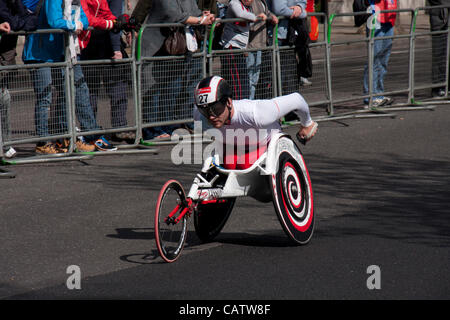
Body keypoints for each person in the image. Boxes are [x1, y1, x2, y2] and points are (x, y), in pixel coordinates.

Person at [22, 0, 117, 154]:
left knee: (67, 93)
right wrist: (74, 25)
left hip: (61, 52)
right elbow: (54, 20)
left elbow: (84, 19)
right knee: (45, 97)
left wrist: (79, 24)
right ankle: (43, 141)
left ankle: (65, 137)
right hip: (40, 53)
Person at [193, 75, 318, 169]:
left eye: (216, 109)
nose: (211, 116)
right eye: (205, 110)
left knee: (244, 164)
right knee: (225, 165)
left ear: (229, 102)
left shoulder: (258, 113)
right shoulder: (200, 116)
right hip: (236, 145)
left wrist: (307, 123)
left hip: (266, 144)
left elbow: (297, 99)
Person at [134, 0, 215, 140]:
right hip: (153, 47)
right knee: (152, 90)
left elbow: (193, 12)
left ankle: (168, 126)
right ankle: (151, 130)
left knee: (171, 89)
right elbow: (173, 14)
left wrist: (205, 16)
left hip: (174, 49)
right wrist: (200, 20)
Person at [80, 0, 134, 142]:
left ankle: (90, 129)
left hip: (88, 43)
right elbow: (114, 21)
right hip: (104, 44)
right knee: (116, 87)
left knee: (91, 89)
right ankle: (118, 127)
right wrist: (116, 48)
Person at [0, 0, 37, 158]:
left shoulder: (15, 1)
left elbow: (31, 21)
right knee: (4, 97)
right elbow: (6, 17)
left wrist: (14, 23)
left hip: (6, 58)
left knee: (4, 98)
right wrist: (14, 22)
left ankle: (5, 144)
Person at [220, 0, 267, 100]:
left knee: (243, 83)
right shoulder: (234, 3)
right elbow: (240, 14)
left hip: (240, 49)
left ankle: (241, 109)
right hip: (231, 47)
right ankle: (238, 110)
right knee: (238, 85)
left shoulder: (247, 7)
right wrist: (257, 17)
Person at [268, 0, 310, 93]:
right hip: (277, 36)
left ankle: (288, 102)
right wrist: (301, 13)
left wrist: (299, 7)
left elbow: (303, 2)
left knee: (289, 76)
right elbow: (279, 9)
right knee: (276, 76)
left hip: (292, 36)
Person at [362, 0, 397, 108]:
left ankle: (379, 94)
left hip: (389, 18)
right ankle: (370, 96)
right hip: (375, 17)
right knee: (374, 59)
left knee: (383, 60)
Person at [247, 0, 278, 100]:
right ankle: (248, 103)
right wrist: (258, 18)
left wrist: (272, 16)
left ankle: (250, 103)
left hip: (260, 44)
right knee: (249, 78)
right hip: (250, 45)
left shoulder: (262, 1)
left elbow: (267, 13)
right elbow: (244, 19)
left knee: (255, 79)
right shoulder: (248, 2)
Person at [428, 0, 449, 98]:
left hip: (445, 17)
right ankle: (438, 87)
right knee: (439, 54)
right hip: (440, 20)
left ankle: (447, 86)